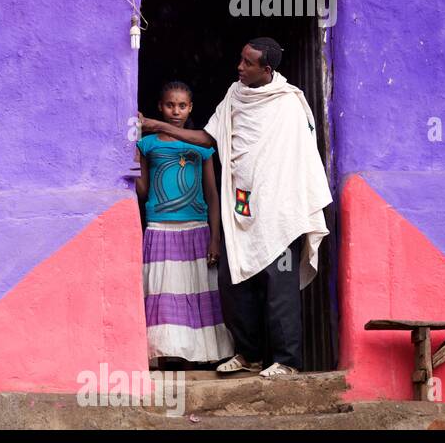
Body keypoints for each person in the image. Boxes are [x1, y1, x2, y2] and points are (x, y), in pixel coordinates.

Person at [139, 37, 331, 377]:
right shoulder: (234, 96)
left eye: (247, 63)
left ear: (267, 69)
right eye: (240, 59)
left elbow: (298, 159)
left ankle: (287, 361)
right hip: (241, 208)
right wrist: (158, 126)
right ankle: (249, 354)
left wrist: (158, 125)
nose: (239, 67)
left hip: (279, 212)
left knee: (279, 289)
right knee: (233, 284)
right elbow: (209, 138)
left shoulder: (288, 105)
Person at [135, 81, 233, 368]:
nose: (175, 110)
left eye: (181, 106)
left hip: (196, 229)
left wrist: (215, 238)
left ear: (190, 107)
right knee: (164, 293)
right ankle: (168, 354)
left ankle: (200, 355)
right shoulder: (147, 144)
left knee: (197, 293)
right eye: (169, 105)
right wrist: (130, 156)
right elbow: (141, 192)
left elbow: (213, 195)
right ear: (159, 106)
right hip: (160, 227)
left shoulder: (200, 145)